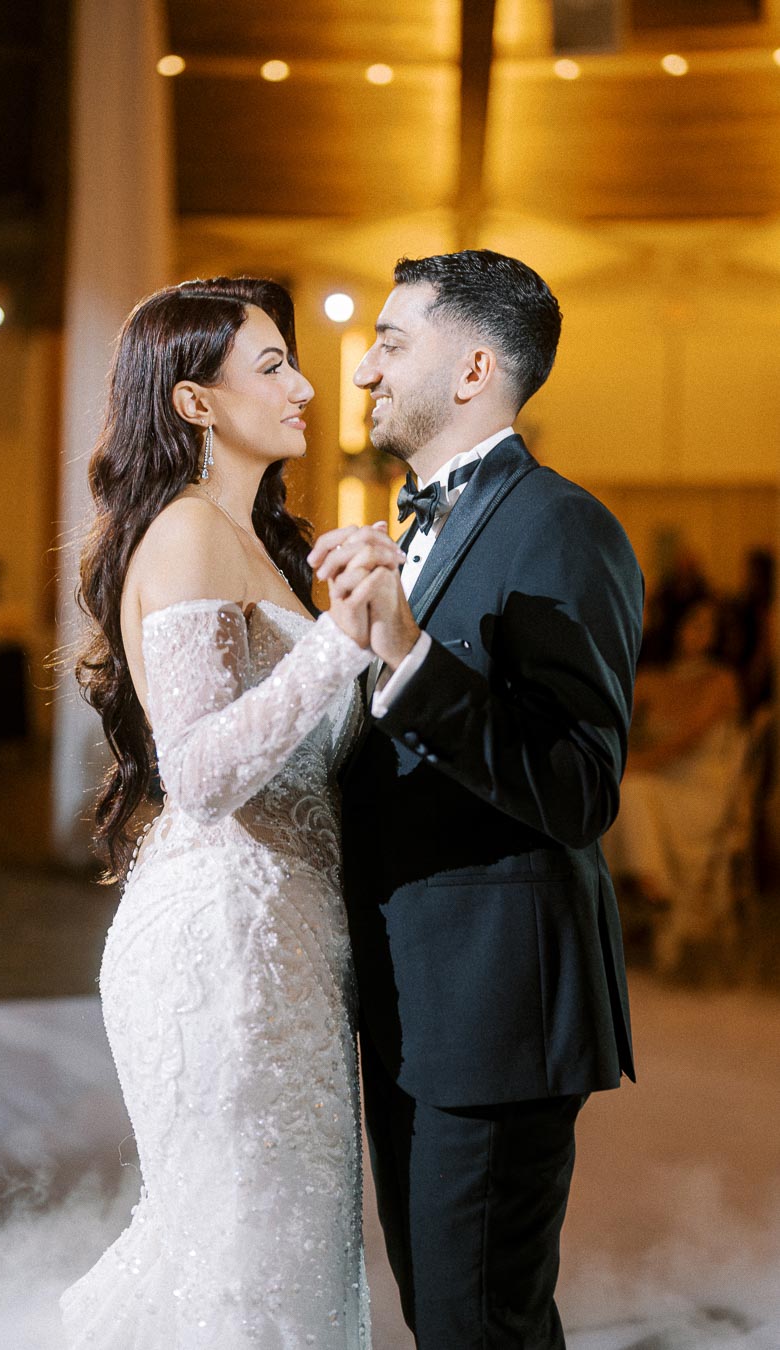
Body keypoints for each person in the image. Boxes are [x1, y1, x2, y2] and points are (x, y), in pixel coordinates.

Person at [308, 249, 644, 1349]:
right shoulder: (410, 522)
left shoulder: (565, 526)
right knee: (442, 1314)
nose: (364, 371)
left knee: (476, 1323)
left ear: (473, 369)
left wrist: (408, 660)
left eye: (392, 342)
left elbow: (583, 785)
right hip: (412, 994)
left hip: (498, 1003)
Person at [61, 277, 404, 1349]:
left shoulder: (256, 540)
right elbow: (202, 771)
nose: (306, 385)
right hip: (226, 947)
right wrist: (345, 644)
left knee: (286, 1259)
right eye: (271, 366)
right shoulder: (185, 534)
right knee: (248, 1263)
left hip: (285, 942)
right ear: (196, 401)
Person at [603, 597, 745, 971]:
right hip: (657, 783)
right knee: (614, 793)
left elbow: (685, 743)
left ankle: (656, 892)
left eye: (708, 626)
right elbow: (619, 727)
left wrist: (631, 767)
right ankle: (641, 893)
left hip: (702, 793)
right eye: (692, 623)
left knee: (629, 791)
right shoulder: (654, 678)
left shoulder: (722, 681)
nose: (699, 633)